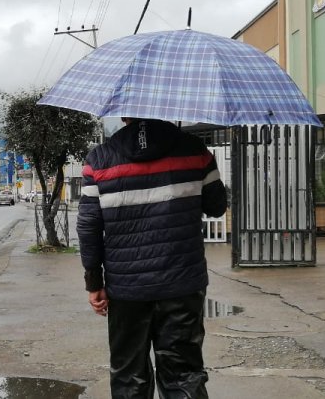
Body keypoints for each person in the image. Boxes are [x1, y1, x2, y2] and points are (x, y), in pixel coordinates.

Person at [77, 117, 228, 399]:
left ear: (123, 115)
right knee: (183, 375)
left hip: (126, 288)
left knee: (129, 376)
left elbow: (89, 226)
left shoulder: (99, 160)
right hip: (182, 283)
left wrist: (94, 282)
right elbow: (217, 207)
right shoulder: (194, 150)